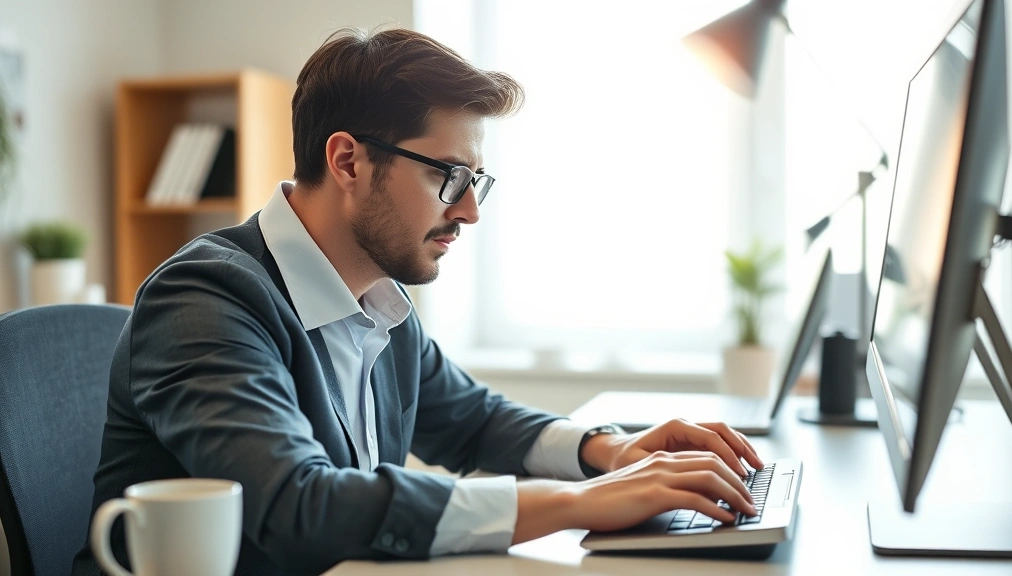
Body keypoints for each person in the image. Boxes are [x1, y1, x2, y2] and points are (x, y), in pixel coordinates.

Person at [72, 27, 763, 576]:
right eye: (450, 177)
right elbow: (296, 506)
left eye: (477, 183)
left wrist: (610, 452)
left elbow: (469, 421)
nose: (468, 212)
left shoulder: (378, 297)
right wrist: (577, 504)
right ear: (347, 161)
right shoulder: (206, 298)